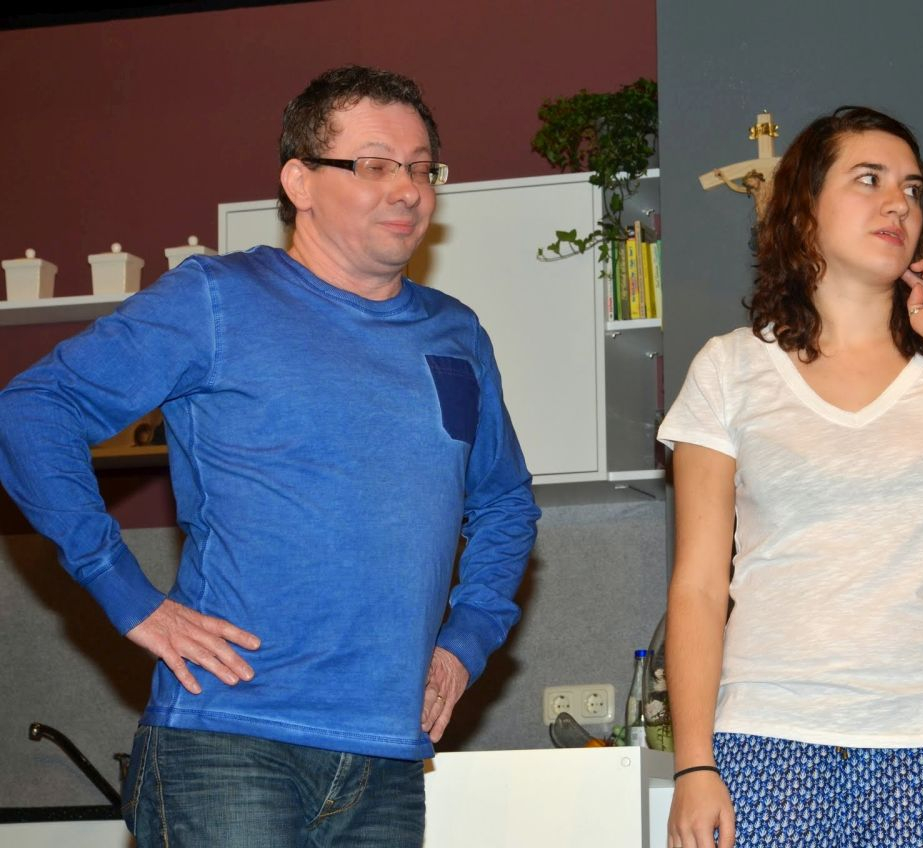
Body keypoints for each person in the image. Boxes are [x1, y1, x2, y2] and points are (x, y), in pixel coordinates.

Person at [0, 65, 539, 847]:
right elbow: (32, 412)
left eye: (423, 169)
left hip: (387, 760)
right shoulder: (217, 299)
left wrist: (466, 640)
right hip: (228, 744)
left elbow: (506, 504)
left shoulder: (456, 334)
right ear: (300, 181)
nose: (408, 190)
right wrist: (128, 596)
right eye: (375, 165)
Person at [657, 106, 923, 848]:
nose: (899, 203)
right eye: (869, 180)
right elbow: (699, 586)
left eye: (913, 190)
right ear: (803, 211)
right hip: (770, 741)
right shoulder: (730, 368)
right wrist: (694, 764)